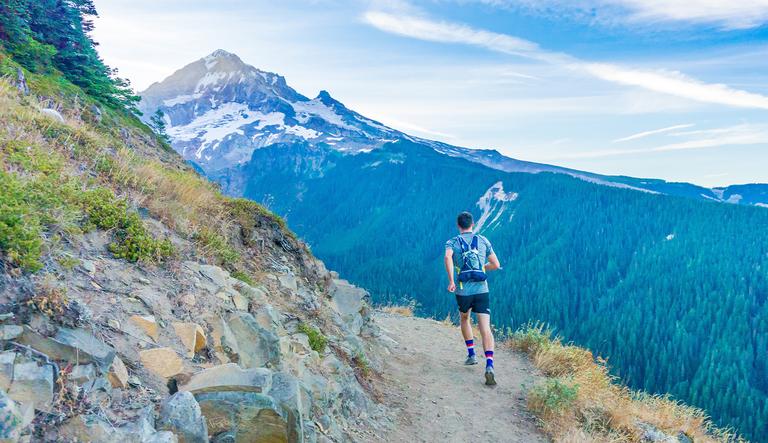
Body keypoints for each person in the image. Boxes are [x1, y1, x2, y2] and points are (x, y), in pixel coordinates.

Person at [444, 211, 501, 385]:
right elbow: (496, 264)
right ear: (472, 224)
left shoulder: (452, 242)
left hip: (463, 291)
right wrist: (481, 268)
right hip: (482, 289)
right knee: (485, 328)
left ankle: (471, 355)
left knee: (465, 319)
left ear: (458, 225)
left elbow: (447, 257)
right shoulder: (483, 240)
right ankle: (489, 364)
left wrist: (451, 281)